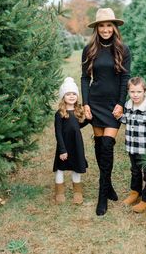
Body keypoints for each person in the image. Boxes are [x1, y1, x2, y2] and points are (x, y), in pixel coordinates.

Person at [81, 7, 131, 216]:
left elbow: (124, 79)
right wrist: (85, 104)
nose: (105, 29)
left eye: (109, 25)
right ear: (97, 28)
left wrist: (121, 103)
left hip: (113, 106)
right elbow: (85, 78)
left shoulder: (123, 49)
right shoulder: (89, 49)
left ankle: (102, 197)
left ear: (114, 27)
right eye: (102, 25)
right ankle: (107, 184)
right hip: (95, 101)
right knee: (100, 145)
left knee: (108, 146)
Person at [121, 76, 146, 213]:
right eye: (132, 92)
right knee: (135, 170)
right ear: (128, 92)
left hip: (145, 148)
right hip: (132, 146)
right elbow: (126, 120)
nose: (135, 95)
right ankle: (135, 192)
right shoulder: (128, 105)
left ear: (145, 91)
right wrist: (119, 116)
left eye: (138, 92)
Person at [53, 77, 88, 205]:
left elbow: (77, 126)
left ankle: (77, 192)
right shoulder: (59, 114)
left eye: (74, 94)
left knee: (76, 167)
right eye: (68, 94)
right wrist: (62, 150)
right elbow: (58, 132)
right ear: (63, 97)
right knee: (60, 168)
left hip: (76, 144)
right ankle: (59, 192)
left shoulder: (78, 111)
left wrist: (88, 120)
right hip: (64, 145)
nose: (71, 96)